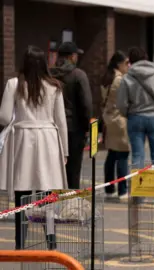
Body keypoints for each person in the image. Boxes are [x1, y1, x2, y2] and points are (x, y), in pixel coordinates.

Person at [0, 46, 68, 249]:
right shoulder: (55, 86)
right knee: (48, 194)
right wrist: (64, 150)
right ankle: (51, 242)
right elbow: (61, 121)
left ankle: (20, 243)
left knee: (22, 194)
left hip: (23, 139)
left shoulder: (14, 84)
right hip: (48, 139)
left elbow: (3, 117)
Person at [117, 47, 154, 204]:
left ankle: (138, 195)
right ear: (147, 59)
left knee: (137, 157)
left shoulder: (127, 78)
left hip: (135, 118)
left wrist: (129, 113)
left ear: (131, 61)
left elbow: (121, 104)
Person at [50, 41, 92, 189]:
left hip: (52, 128)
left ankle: (50, 205)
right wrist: (87, 126)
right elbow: (86, 104)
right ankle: (71, 205)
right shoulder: (78, 75)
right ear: (72, 56)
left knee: (53, 169)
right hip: (74, 128)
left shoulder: (49, 75)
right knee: (73, 170)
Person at [101, 51, 130, 200]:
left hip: (108, 118)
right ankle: (123, 190)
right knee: (123, 155)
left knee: (112, 154)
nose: (128, 66)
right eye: (126, 63)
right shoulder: (119, 80)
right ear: (119, 64)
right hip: (119, 120)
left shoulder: (107, 77)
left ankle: (109, 188)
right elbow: (124, 101)